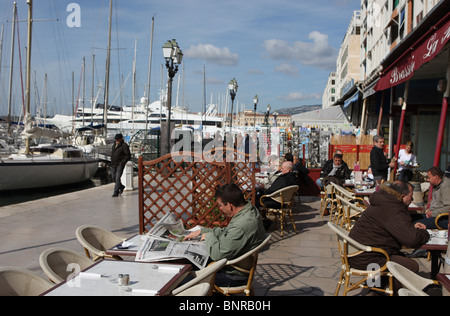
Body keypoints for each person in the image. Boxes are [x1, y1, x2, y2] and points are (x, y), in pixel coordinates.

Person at [348, 181, 430, 293]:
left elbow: (391, 226)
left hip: (355, 252)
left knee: (400, 257)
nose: (412, 200)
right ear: (402, 196)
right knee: (411, 266)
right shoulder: (393, 209)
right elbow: (412, 239)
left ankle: (377, 288)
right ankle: (390, 292)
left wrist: (410, 227)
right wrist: (424, 233)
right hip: (368, 258)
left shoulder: (384, 202)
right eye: (411, 197)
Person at [183, 184, 266, 287]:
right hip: (236, 266)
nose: (220, 208)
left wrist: (209, 236)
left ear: (230, 206)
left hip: (232, 276)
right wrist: (203, 231)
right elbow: (229, 232)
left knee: (181, 281)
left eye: (220, 205)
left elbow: (217, 254)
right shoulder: (250, 211)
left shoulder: (241, 225)